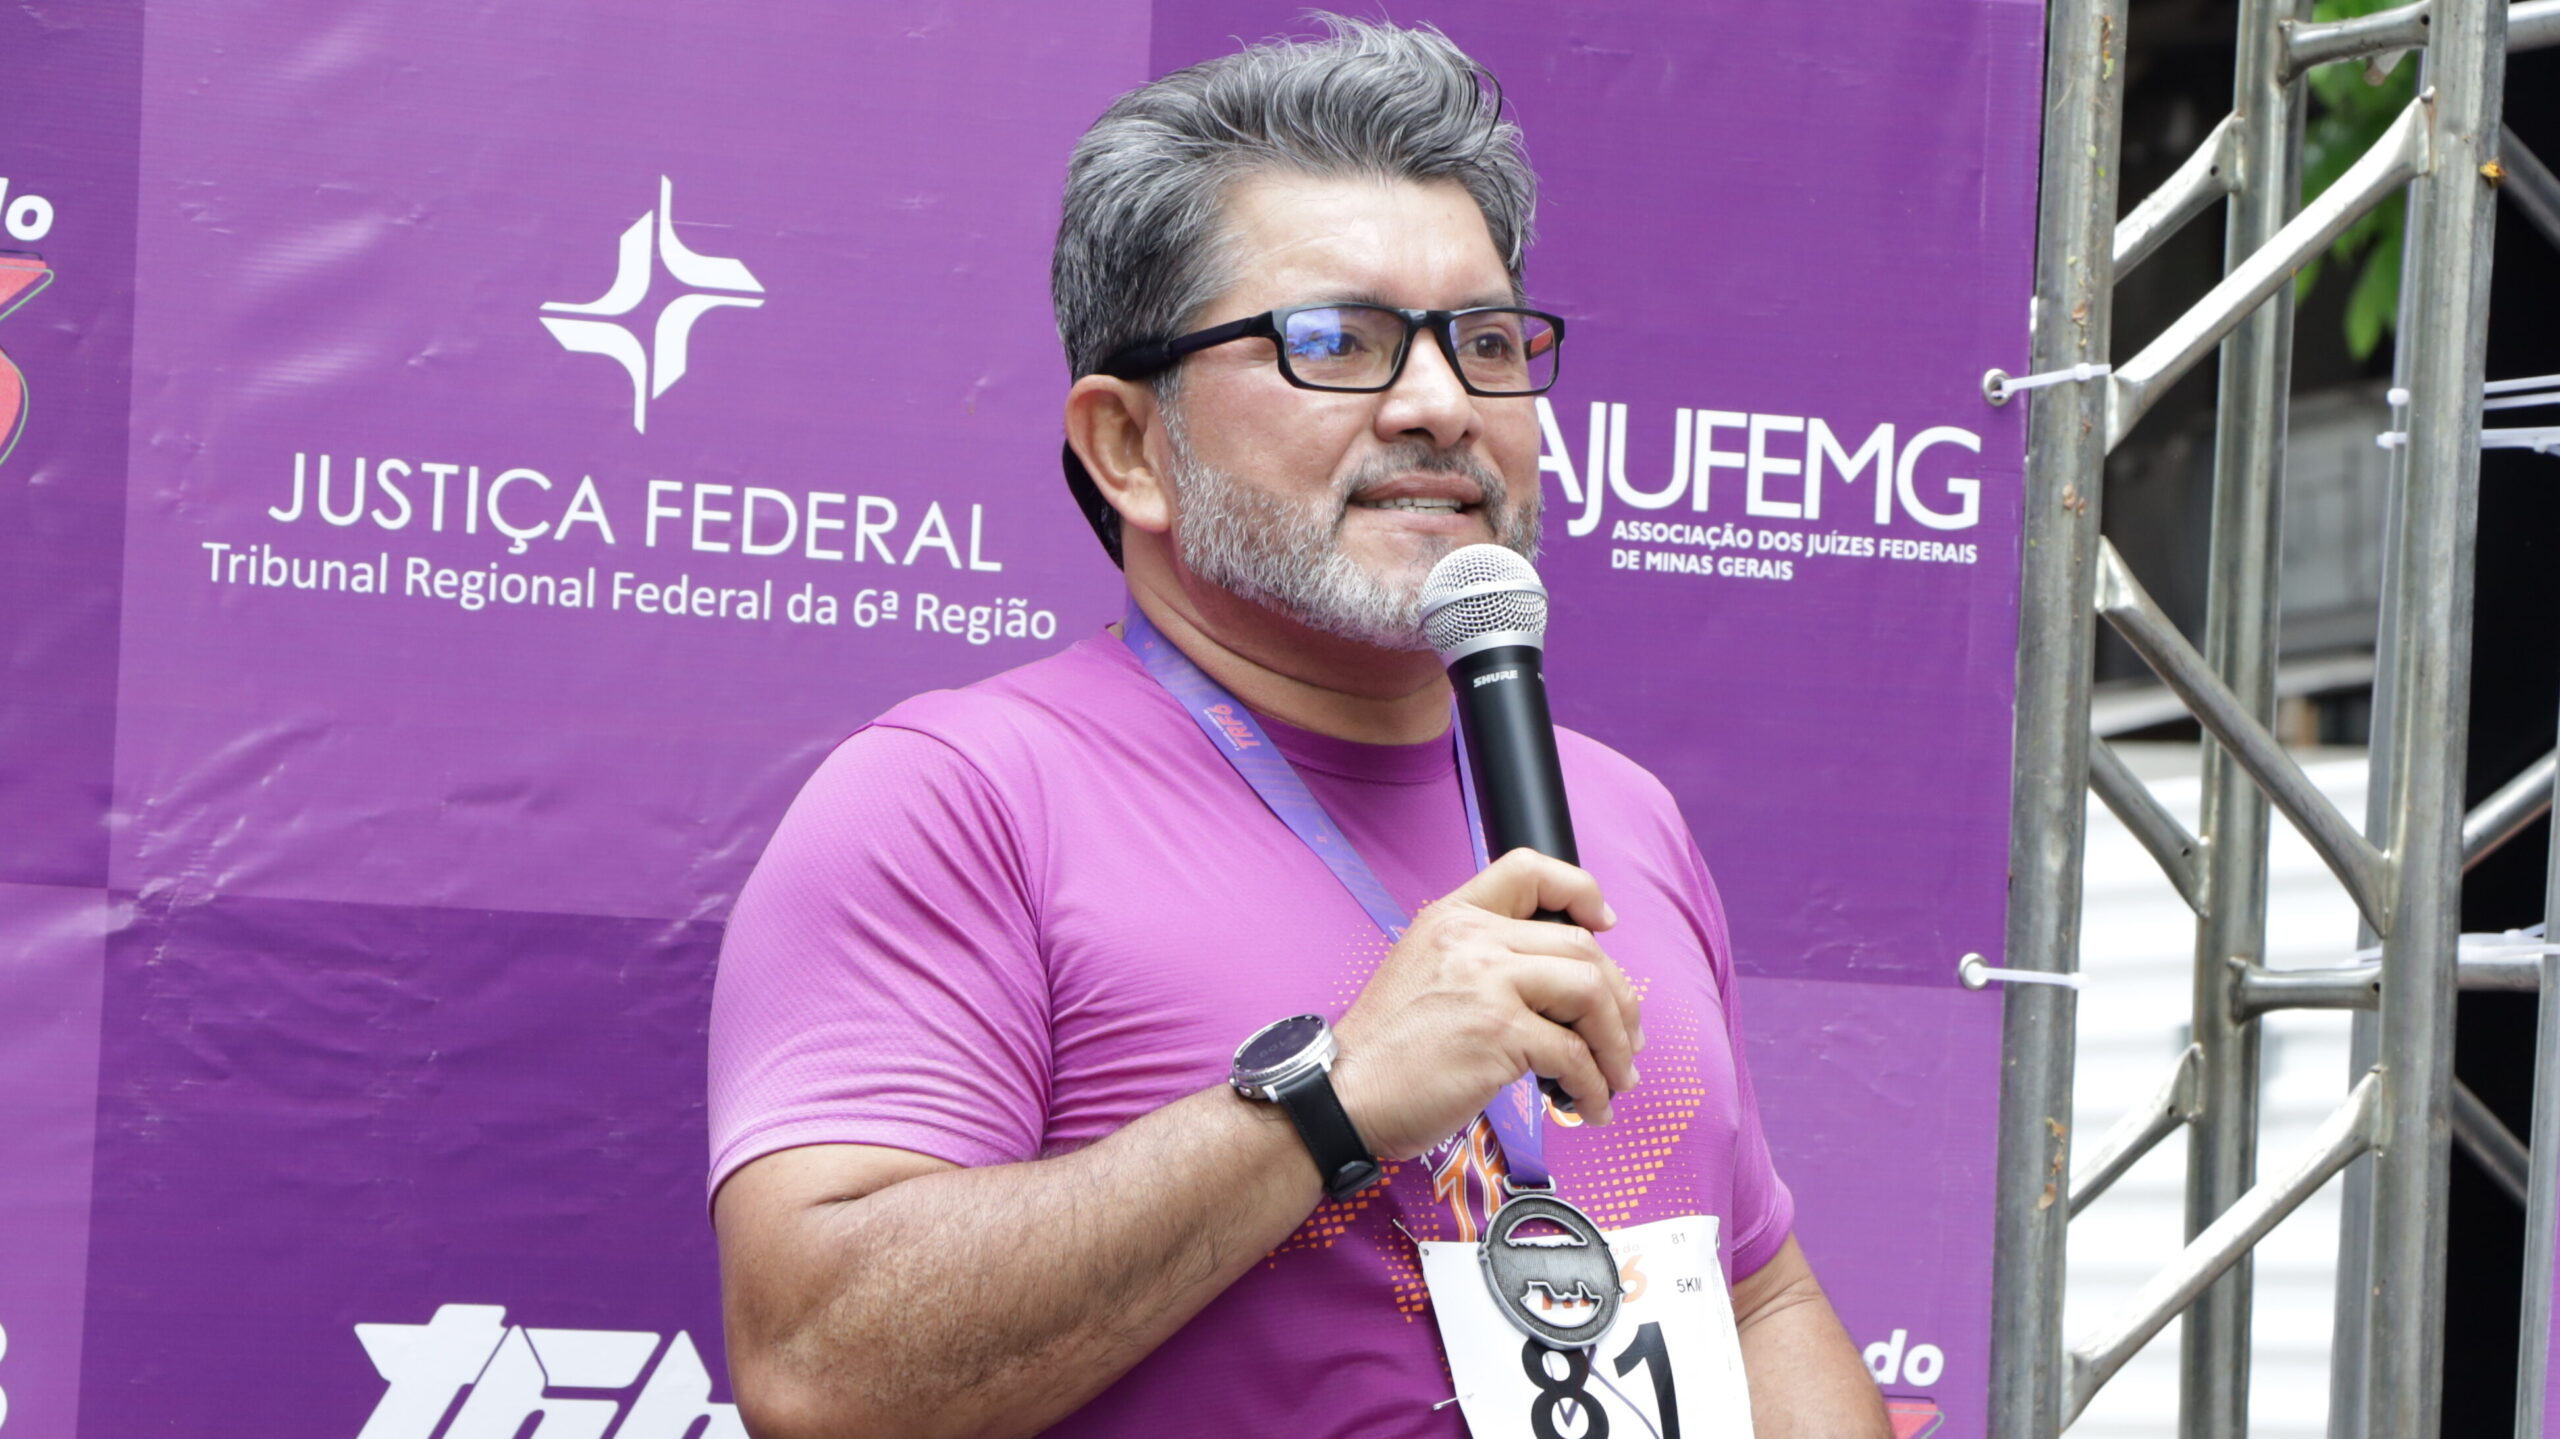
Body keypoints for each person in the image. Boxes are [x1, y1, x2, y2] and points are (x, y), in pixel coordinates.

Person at [708, 18, 1888, 1439]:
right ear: (1130, 446)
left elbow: (1757, 1300)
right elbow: (825, 1372)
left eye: (1489, 342)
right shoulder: (960, 799)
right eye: (1338, 342)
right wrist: (1331, 1101)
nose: (1445, 405)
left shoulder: (1616, 810)